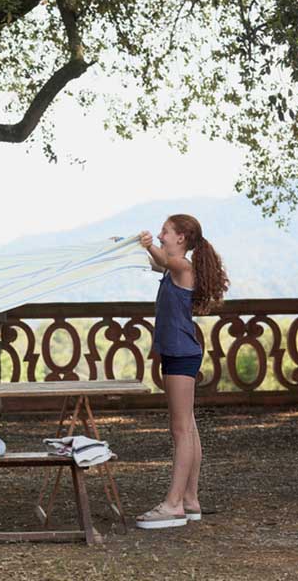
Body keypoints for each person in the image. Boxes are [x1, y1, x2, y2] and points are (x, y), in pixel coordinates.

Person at [136, 215, 229, 530]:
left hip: (181, 355)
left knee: (180, 430)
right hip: (179, 353)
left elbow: (161, 258)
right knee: (187, 427)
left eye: (166, 231)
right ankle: (190, 500)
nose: (161, 235)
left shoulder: (183, 267)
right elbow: (154, 261)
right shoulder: (174, 268)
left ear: (181, 238)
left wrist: (148, 244)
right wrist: (127, 247)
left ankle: (173, 504)